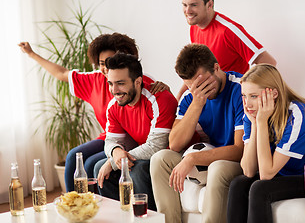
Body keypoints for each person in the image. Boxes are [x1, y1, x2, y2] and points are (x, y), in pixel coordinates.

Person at [18, 33, 169, 192]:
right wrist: (31, 53)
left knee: (91, 164)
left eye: (110, 62)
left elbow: (157, 99)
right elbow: (62, 74)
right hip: (111, 137)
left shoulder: (138, 81)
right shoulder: (93, 80)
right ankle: (75, 204)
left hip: (133, 139)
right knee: (74, 156)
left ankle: (97, 207)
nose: (106, 68)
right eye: (102, 63)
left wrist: (167, 89)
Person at [227, 64, 305, 223]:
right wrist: (257, 125)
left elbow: (266, 174)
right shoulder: (253, 114)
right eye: (244, 95)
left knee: (259, 189)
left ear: (274, 94)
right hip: (284, 173)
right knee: (239, 183)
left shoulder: (299, 115)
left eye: (254, 96)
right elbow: (248, 170)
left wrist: (262, 122)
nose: (247, 104)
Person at [150, 44, 245, 223]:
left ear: (216, 68)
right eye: (192, 87)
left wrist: (192, 159)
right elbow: (175, 144)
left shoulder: (241, 90)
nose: (198, 91)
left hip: (235, 161)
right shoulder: (190, 98)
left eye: (202, 84)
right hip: (210, 156)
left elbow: (240, 150)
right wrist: (197, 103)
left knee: (218, 167)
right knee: (160, 159)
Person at [93, 52, 177, 211]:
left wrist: (113, 162)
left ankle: (148, 220)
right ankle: (119, 218)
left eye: (120, 83)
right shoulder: (114, 106)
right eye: (110, 83)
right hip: (144, 153)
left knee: (137, 170)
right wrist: (115, 151)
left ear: (138, 82)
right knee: (99, 169)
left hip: (168, 155)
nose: (114, 90)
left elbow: (156, 146)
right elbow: (110, 141)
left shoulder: (159, 99)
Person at [176, 0, 277, 100]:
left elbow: (268, 62)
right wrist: (178, 97)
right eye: (184, 5)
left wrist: (250, 94)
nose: (188, 11)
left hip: (234, 100)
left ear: (209, 4)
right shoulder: (194, 27)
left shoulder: (227, 30)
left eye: (193, 5)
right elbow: (195, 70)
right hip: (212, 98)